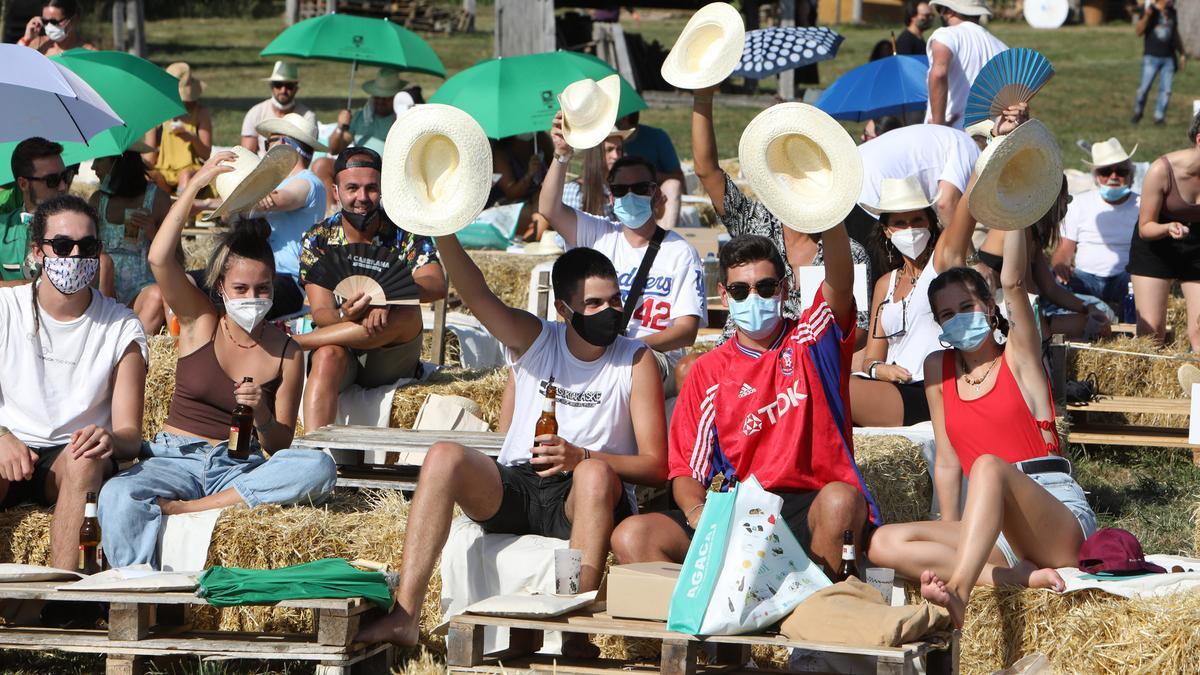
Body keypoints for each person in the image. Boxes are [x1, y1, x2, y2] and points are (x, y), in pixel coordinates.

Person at [354, 238, 667, 654]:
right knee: (443, 454)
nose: (610, 312)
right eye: (594, 304)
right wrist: (444, 232)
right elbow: (478, 294)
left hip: (584, 494)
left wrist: (582, 455)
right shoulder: (537, 338)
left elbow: (656, 466)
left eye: (615, 301)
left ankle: (572, 632)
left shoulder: (635, 359)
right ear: (563, 310)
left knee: (593, 475)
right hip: (521, 484)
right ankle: (407, 615)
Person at [97, 152, 336, 569]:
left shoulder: (288, 351)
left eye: (262, 289)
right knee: (118, 493)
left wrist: (261, 411)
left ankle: (196, 509)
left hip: (237, 467)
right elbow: (158, 259)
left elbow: (280, 445)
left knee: (318, 466)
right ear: (221, 286)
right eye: (240, 288)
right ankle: (134, 589)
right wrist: (193, 187)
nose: (253, 298)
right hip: (176, 457)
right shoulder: (200, 321)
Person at [867, 228, 1097, 629]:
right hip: (993, 529)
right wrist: (951, 525)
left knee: (989, 466)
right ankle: (1010, 577)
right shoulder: (938, 368)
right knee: (882, 543)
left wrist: (1013, 215)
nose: (959, 320)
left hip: (1053, 513)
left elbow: (1015, 280)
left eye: (967, 307)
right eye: (947, 315)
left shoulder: (1019, 356)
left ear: (991, 308)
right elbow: (948, 461)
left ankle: (959, 590)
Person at [610, 233, 877, 575]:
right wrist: (700, 515)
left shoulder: (811, 340)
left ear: (783, 290)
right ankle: (706, 620)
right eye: (740, 290)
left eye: (765, 287)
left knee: (842, 500)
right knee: (632, 536)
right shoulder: (707, 371)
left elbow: (840, 284)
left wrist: (831, 217)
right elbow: (686, 473)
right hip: (738, 511)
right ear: (724, 294)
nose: (754, 297)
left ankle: (810, 615)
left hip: (810, 507)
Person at [0, 195, 146, 572]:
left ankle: (57, 599)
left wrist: (108, 439)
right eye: (63, 246)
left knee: (86, 458)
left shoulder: (122, 326)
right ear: (37, 251)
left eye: (89, 247)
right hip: (10, 447)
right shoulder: (6, 308)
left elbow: (131, 433)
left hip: (68, 459)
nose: (76, 256)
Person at [541, 112, 705, 397]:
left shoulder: (680, 252)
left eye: (640, 189)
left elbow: (687, 331)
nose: (630, 196)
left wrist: (626, 349)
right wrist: (561, 154)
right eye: (620, 189)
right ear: (610, 197)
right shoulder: (598, 233)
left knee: (629, 370)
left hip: (652, 355)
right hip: (596, 351)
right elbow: (549, 209)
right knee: (531, 362)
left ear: (655, 194)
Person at [691, 87, 872, 345]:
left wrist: (797, 352)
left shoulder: (850, 252)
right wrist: (702, 95)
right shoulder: (754, 222)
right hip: (741, 360)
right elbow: (706, 171)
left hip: (805, 369)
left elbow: (859, 332)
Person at [294, 147, 446, 431]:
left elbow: (436, 284)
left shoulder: (406, 232)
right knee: (326, 356)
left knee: (407, 313)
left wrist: (387, 294)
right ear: (336, 191)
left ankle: (295, 343)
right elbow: (322, 312)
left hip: (391, 351)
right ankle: (312, 457)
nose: (362, 198)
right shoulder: (318, 239)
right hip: (345, 348)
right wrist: (344, 316)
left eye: (371, 188)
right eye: (352, 188)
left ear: (382, 189)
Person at [849, 177, 944, 427]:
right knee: (821, 382)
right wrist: (879, 370)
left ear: (931, 225)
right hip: (892, 385)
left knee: (837, 391)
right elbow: (872, 357)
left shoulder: (941, 267)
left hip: (931, 387)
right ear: (886, 230)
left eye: (917, 220)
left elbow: (961, 218)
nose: (910, 229)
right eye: (900, 223)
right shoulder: (885, 283)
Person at [1128, 113, 1200, 350]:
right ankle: (1146, 384)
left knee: (1199, 328)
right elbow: (1145, 227)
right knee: (1152, 331)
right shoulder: (1162, 170)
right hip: (1156, 243)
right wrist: (1168, 227)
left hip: (1196, 244)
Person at [252, 113, 328, 318]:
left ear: (284, 144)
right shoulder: (272, 184)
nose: (266, 147)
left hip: (287, 280)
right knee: (191, 283)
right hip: (258, 274)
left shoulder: (309, 182)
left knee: (239, 300)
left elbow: (282, 199)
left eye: (270, 141)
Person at [89, 149, 172, 334]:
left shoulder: (157, 199)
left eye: (99, 158)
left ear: (118, 163)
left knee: (157, 296)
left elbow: (179, 260)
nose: (93, 166)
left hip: (142, 292)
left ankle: (131, 345)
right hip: (104, 289)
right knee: (103, 265)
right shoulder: (97, 201)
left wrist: (153, 233)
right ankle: (102, 335)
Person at [1050, 139, 1140, 305]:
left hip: (1126, 279)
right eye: (1106, 171)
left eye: (1120, 171)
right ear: (1096, 177)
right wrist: (1060, 266)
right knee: (1051, 280)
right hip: (1085, 278)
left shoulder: (1142, 205)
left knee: (1141, 282)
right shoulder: (1079, 203)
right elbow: (1064, 249)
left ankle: (1098, 310)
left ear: (1130, 175)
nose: (1114, 177)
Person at [858, 123, 980, 229]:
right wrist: (967, 254)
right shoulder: (970, 149)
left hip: (852, 176)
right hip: (869, 194)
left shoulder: (953, 137)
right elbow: (947, 205)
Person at [925, 0, 1007, 129]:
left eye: (941, 9)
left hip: (950, 135)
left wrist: (938, 123)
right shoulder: (1002, 48)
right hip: (987, 138)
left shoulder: (947, 35)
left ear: (950, 11)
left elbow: (939, 73)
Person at [2, 137, 68, 282]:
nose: (63, 186)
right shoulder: (2, 230)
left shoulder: (80, 228)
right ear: (23, 184)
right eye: (52, 180)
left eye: (65, 176)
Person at [144, 63, 212, 194]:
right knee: (146, 177)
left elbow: (206, 154)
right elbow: (150, 159)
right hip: (164, 171)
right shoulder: (157, 114)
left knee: (186, 177)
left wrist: (191, 138)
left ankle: (183, 209)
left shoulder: (200, 113)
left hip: (190, 168)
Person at [617, 112, 686, 229]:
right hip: (619, 197)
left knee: (673, 185)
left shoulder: (657, 137)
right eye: (610, 150)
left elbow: (679, 178)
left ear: (625, 117)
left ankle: (662, 241)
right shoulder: (601, 140)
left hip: (653, 200)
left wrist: (650, 175)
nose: (614, 153)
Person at [240, 62, 318, 155]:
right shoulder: (256, 112)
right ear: (271, 86)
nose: (283, 90)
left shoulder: (307, 117)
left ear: (296, 89)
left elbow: (306, 154)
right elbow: (248, 152)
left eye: (289, 86)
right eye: (278, 85)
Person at [327, 69, 406, 156]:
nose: (380, 101)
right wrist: (340, 127)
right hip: (356, 164)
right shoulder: (360, 116)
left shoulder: (401, 120)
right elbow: (333, 150)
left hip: (384, 167)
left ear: (396, 98)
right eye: (377, 96)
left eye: (386, 98)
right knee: (322, 164)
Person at [1133, 0, 1184, 126]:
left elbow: (1175, 33)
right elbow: (1138, 32)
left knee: (1166, 90)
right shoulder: (1150, 10)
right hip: (1151, 57)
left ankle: (1159, 117)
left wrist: (1182, 52)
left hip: (1168, 59)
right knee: (1144, 89)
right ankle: (1138, 112)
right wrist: (1147, 16)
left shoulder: (1172, 12)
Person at [561, 128, 629, 221]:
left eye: (619, 149)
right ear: (595, 153)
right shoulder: (575, 190)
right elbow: (569, 232)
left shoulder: (620, 188)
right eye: (609, 150)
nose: (616, 156)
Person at [19, 0, 95, 55]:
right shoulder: (36, 45)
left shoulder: (89, 53)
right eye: (45, 21)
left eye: (54, 22)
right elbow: (14, 63)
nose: (49, 26)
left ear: (74, 19)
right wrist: (26, 39)